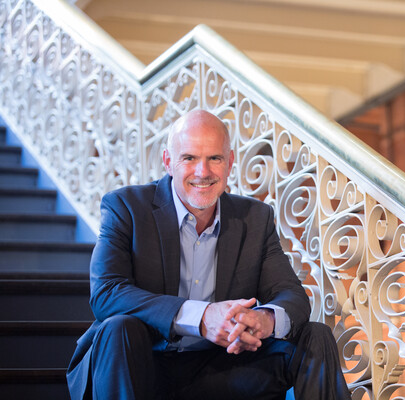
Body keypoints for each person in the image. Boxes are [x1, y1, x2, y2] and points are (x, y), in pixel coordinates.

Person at [66, 109, 352, 400]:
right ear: (168, 162)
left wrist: (265, 319)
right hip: (143, 364)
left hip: (222, 367)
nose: (203, 172)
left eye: (214, 158)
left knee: (315, 335)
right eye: (189, 158)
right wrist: (201, 317)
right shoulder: (126, 207)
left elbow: (292, 296)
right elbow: (106, 293)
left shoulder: (254, 217)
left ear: (229, 164)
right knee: (119, 328)